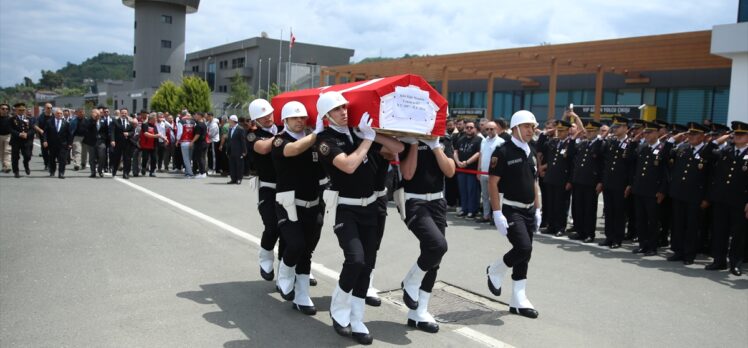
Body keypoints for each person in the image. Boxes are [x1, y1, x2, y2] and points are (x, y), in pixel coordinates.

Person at [316, 91, 381, 345]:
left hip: (371, 207)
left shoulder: (356, 131)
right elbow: (348, 165)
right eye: (337, 110)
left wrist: (377, 131)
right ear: (326, 115)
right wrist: (368, 140)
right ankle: (338, 308)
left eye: (345, 107)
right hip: (347, 207)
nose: (344, 112)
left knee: (367, 265)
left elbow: (396, 148)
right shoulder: (324, 139)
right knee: (355, 259)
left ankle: (357, 317)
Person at [397, 127, 455, 333]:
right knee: (437, 245)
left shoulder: (444, 139)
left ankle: (418, 312)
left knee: (434, 258)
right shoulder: (405, 138)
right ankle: (410, 282)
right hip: (413, 201)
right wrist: (414, 142)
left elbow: (449, 171)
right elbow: (408, 173)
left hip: (437, 201)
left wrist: (436, 145)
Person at [271, 101, 327, 315]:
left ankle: (302, 295)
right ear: (285, 120)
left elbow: (322, 172)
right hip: (287, 204)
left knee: (306, 252)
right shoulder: (279, 141)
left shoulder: (314, 143)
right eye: (294, 118)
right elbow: (293, 150)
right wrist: (316, 134)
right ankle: (284, 273)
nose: (299, 121)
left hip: (313, 204)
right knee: (295, 244)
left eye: (302, 117)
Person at [485, 110, 541, 319]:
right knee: (523, 247)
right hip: (510, 208)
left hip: (528, 210)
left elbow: (535, 182)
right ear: (516, 127)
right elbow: (493, 182)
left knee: (526, 253)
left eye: (533, 127)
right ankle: (496, 269)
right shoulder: (503, 151)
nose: (531, 130)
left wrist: (538, 208)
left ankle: (518, 299)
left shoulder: (531, 151)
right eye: (527, 126)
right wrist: (497, 213)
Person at [247, 99, 284, 283]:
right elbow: (263, 148)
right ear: (256, 120)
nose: (268, 118)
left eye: (270, 113)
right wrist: (286, 134)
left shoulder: (282, 128)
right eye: (263, 116)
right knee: (272, 226)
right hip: (268, 188)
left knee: (291, 230)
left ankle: (291, 269)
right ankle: (265, 256)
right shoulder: (253, 135)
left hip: (288, 186)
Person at [665, 122, 712, 265]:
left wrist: (706, 198)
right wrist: (672, 140)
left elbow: (711, 178)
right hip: (679, 194)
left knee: (692, 226)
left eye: (695, 134)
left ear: (703, 136)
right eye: (690, 134)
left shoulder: (707, 152)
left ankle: (689, 254)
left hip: (695, 196)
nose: (691, 137)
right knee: (678, 224)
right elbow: (664, 155)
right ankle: (678, 251)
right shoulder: (682, 149)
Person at [705, 121, 748, 276]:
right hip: (721, 199)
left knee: (738, 234)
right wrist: (719, 140)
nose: (737, 136)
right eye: (735, 134)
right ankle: (719, 260)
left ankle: (735, 263)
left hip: (739, 201)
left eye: (741, 134)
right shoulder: (726, 151)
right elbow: (705, 153)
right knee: (719, 231)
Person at [631, 121, 673, 256]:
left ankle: (652, 247)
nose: (646, 135)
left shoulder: (663, 149)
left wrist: (662, 190)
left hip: (653, 191)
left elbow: (667, 173)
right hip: (639, 190)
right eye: (645, 133)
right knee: (640, 219)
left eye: (649, 132)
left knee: (653, 221)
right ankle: (643, 245)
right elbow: (633, 163)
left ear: (657, 133)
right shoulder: (643, 148)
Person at [598, 116, 635, 249]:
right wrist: (602, 181)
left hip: (621, 183)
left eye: (618, 127)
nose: (615, 129)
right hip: (608, 181)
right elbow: (604, 160)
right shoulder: (611, 142)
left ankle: (617, 238)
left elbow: (631, 166)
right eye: (614, 126)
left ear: (626, 128)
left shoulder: (630, 143)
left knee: (619, 212)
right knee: (609, 210)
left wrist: (629, 184)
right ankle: (609, 236)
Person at [568, 120, 602, 243]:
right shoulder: (583, 144)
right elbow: (571, 153)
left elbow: (601, 163)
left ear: (597, 132)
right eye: (587, 131)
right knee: (578, 207)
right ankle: (580, 231)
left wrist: (600, 181)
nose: (588, 133)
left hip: (591, 182)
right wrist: (573, 139)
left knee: (589, 209)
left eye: (592, 131)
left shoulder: (600, 144)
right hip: (578, 180)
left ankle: (589, 233)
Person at [476, 121, 505, 223]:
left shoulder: (501, 141)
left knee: (495, 196)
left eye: (491, 129)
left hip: (495, 174)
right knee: (484, 195)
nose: (489, 131)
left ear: (496, 129)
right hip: (483, 172)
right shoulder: (484, 141)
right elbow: (481, 155)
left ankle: (495, 216)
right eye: (487, 129)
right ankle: (486, 215)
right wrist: (478, 170)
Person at [453, 121, 482, 218]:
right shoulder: (461, 139)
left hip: (472, 170)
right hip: (461, 169)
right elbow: (455, 152)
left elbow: (478, 154)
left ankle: (472, 210)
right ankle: (464, 209)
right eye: (467, 127)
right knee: (462, 191)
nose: (469, 129)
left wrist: (467, 162)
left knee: (472, 191)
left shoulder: (479, 140)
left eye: (471, 127)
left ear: (475, 129)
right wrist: (457, 162)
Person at [42, 108, 72, 179]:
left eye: (60, 113)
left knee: (62, 160)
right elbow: (45, 133)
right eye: (58, 113)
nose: (59, 115)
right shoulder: (49, 122)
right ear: (55, 114)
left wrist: (70, 143)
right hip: (52, 144)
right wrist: (45, 141)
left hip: (63, 144)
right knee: (52, 158)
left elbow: (69, 134)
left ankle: (61, 173)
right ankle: (52, 171)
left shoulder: (66, 123)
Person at [9, 103, 35, 177]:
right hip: (16, 140)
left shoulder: (29, 119)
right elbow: (10, 129)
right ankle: (16, 171)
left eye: (23, 110)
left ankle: (26, 165)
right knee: (15, 157)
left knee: (28, 156)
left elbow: (32, 129)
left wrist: (27, 134)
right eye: (20, 110)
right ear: (16, 110)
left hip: (26, 141)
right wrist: (19, 134)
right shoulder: (12, 119)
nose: (21, 111)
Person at [110, 108, 135, 179]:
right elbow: (112, 132)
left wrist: (128, 133)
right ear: (120, 113)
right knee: (117, 158)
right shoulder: (115, 121)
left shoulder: (130, 122)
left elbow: (133, 132)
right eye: (122, 113)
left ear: (127, 114)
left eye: (125, 113)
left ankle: (125, 173)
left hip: (127, 143)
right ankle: (114, 170)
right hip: (118, 142)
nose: (124, 114)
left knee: (127, 158)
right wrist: (112, 140)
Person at [224, 115, 246, 184]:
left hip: (239, 150)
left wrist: (244, 151)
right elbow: (229, 141)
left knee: (239, 165)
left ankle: (239, 179)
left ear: (233, 121)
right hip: (231, 150)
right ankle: (233, 178)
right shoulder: (230, 129)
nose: (228, 121)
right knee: (232, 165)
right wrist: (227, 150)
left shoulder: (240, 129)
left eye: (229, 120)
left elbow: (243, 141)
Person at [175, 112, 196, 178]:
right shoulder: (193, 122)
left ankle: (190, 173)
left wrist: (177, 140)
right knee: (189, 158)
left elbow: (180, 133)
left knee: (186, 159)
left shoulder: (181, 122)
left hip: (184, 142)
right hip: (192, 141)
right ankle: (187, 172)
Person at [191, 112, 208, 178]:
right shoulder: (203, 124)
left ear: (200, 116)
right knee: (201, 158)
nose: (195, 116)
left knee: (200, 158)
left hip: (200, 144)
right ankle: (202, 172)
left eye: (196, 115)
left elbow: (197, 135)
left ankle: (202, 173)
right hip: (203, 143)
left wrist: (192, 142)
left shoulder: (199, 125)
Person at [0, 103, 11, 173]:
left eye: (6, 109)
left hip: (8, 136)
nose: (5, 110)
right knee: (1, 152)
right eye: (3, 109)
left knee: (7, 151)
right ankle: (4, 166)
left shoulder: (11, 118)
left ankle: (7, 166)